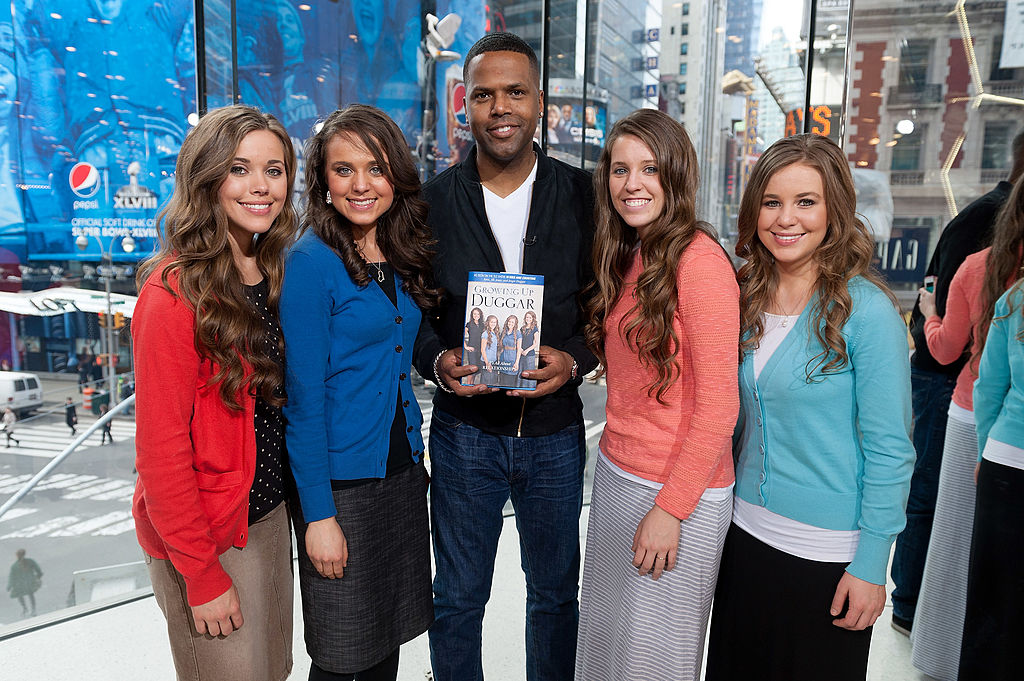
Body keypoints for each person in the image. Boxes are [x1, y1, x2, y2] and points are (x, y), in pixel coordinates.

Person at [411, 32, 597, 681]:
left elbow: (606, 307)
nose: (500, 108)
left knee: (555, 597)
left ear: (540, 101)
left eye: (515, 91)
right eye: (483, 95)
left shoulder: (585, 196)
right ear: (464, 106)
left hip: (555, 432)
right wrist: (437, 362)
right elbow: (411, 312)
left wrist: (575, 360)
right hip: (465, 433)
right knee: (457, 600)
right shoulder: (429, 203)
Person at [704, 134, 916, 681]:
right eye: (771, 202)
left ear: (834, 210)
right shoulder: (745, 295)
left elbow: (891, 451)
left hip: (828, 557)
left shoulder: (866, 312)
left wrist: (872, 564)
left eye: (806, 202)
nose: (785, 219)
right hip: (743, 538)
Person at [131, 105, 297, 681]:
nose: (260, 186)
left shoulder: (272, 273)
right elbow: (160, 455)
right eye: (239, 169)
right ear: (206, 179)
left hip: (266, 518)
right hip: (206, 535)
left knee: (274, 671)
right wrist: (201, 576)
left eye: (274, 170)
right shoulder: (171, 295)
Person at [575, 109, 739, 681]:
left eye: (649, 168)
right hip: (619, 474)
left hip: (678, 491)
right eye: (620, 169)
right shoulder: (631, 253)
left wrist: (671, 510)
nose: (632, 184)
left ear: (676, 173)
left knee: (653, 662)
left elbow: (720, 406)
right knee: (607, 649)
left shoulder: (700, 262)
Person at [280, 104, 439, 681]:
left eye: (375, 167)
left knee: (385, 641)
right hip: (342, 489)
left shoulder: (397, 251)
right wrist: (319, 515)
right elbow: (303, 403)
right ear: (323, 181)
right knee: (343, 654)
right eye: (344, 169)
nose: (362, 184)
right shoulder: (310, 263)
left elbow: (397, 347)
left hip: (400, 474)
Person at [892, 129, 1024, 635]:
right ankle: (913, 608)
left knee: (945, 519)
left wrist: (928, 312)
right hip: (959, 395)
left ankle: (918, 615)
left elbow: (952, 349)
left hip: (966, 400)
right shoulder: (982, 233)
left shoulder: (981, 251)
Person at [957, 194, 1024, 681]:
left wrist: (985, 452)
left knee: (992, 604)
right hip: (1005, 461)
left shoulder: (1014, 299)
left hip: (1005, 461)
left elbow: (989, 387)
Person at [6, 548, 42, 617]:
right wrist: (9, 585)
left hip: (28, 582)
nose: (19, 556)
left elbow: (37, 568)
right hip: (20, 584)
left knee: (30, 594)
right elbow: (12, 576)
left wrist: (39, 575)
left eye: (20, 554)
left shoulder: (29, 562)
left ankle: (32, 609)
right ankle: (26, 609)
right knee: (21, 595)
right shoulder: (15, 566)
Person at [497, 314, 522, 387]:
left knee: (509, 383)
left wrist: (516, 363)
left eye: (512, 322)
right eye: (509, 321)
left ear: (515, 324)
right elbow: (501, 345)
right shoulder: (504, 332)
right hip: (503, 359)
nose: (510, 323)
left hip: (512, 360)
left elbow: (519, 349)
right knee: (502, 381)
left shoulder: (518, 333)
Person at [463, 307, 484, 384]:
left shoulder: (482, 325)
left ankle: (472, 384)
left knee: (477, 369)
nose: (476, 315)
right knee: (472, 368)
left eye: (478, 314)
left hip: (480, 350)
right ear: (472, 315)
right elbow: (461, 335)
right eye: (474, 314)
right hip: (472, 350)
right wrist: (466, 346)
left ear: (480, 315)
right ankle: (468, 385)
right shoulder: (469, 324)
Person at [479, 314, 500, 386]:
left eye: (495, 322)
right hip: (486, 361)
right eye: (491, 322)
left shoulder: (495, 333)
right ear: (488, 323)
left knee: (493, 383)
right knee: (486, 384)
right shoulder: (485, 334)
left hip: (493, 361)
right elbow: (482, 350)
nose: (493, 324)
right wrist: (487, 363)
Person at [519, 310, 539, 376]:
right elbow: (519, 340)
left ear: (533, 319)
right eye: (527, 317)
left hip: (530, 355)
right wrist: (520, 349)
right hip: (521, 353)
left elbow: (535, 343)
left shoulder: (535, 329)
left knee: (528, 373)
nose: (528, 319)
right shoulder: (522, 328)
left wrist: (527, 351)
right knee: (520, 372)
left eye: (530, 317)